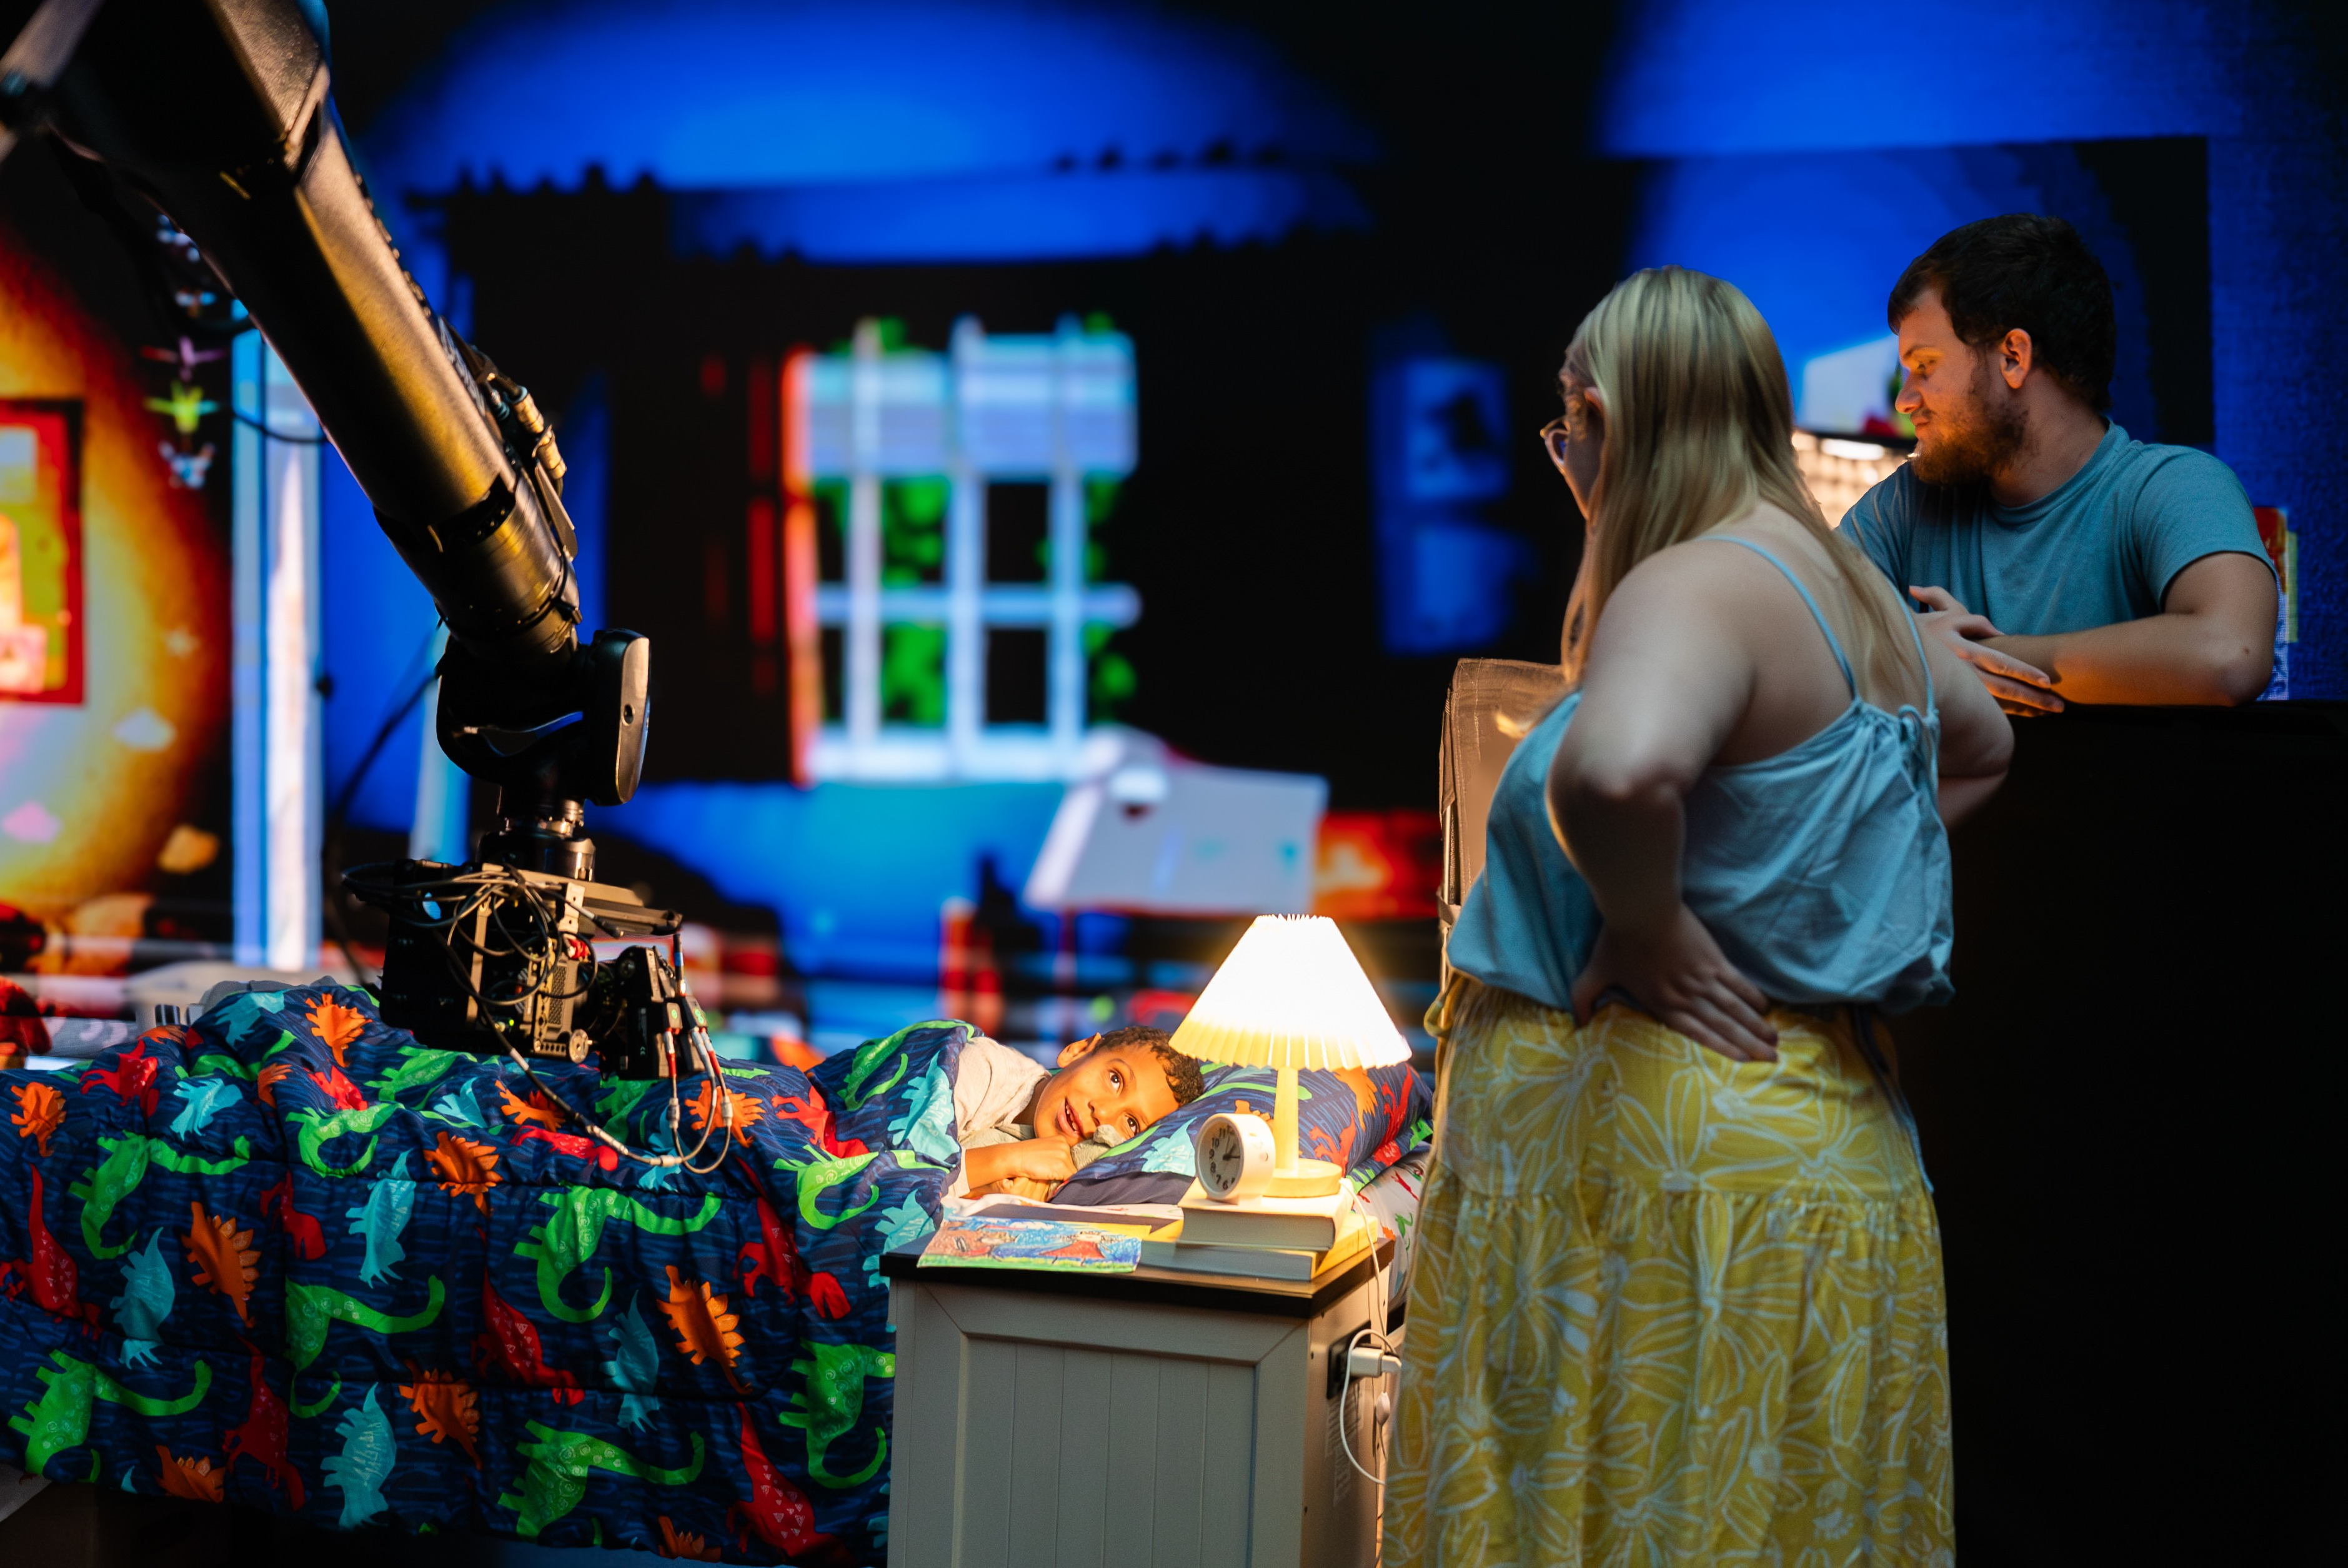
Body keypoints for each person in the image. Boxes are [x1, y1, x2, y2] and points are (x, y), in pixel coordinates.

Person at [1389, 267, 2012, 1566]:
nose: (1564, 459)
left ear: (1609, 415)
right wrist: (1796, 892)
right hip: (1811, 1175)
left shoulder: (1689, 584)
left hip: (1654, 1203)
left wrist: (1652, 927)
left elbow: (1614, 772)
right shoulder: (1855, 592)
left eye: (1564, 426)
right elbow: (1982, 746)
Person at [1846, 214, 2276, 713]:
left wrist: (1963, 659)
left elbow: (2230, 658)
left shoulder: (2173, 487)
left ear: (2013, 356)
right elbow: (1792, 644)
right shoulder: (1903, 505)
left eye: (1925, 366)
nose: (1905, 400)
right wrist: (1911, 653)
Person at [951, 1025, 1203, 1198]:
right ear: (1079, 1051)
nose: (1103, 1113)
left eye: (1132, 1123)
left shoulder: (1063, 1180)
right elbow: (924, 1175)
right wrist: (1006, 1161)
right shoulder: (982, 1066)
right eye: (1115, 1079)